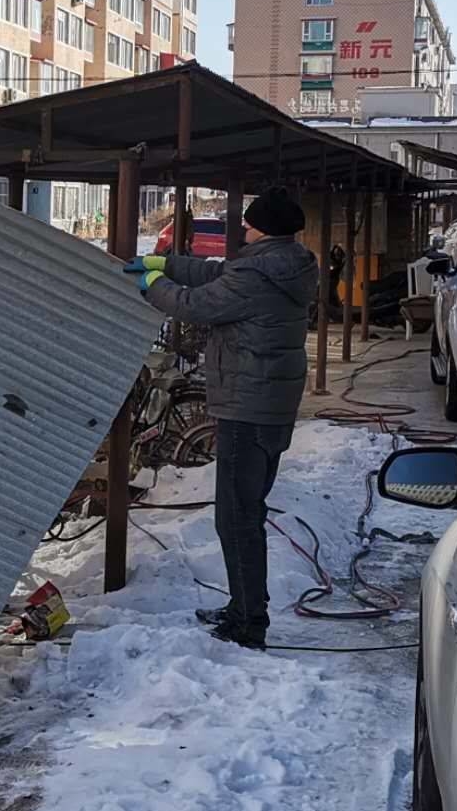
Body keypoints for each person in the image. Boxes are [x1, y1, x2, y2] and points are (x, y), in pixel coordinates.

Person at [124, 188, 318, 649]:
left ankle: (249, 622)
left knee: (236, 518)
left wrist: (154, 287)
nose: (244, 230)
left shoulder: (256, 272)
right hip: (270, 404)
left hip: (246, 407)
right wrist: (166, 265)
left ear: (264, 228)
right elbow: (217, 273)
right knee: (245, 512)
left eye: (250, 224)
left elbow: (196, 305)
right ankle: (242, 607)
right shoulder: (288, 263)